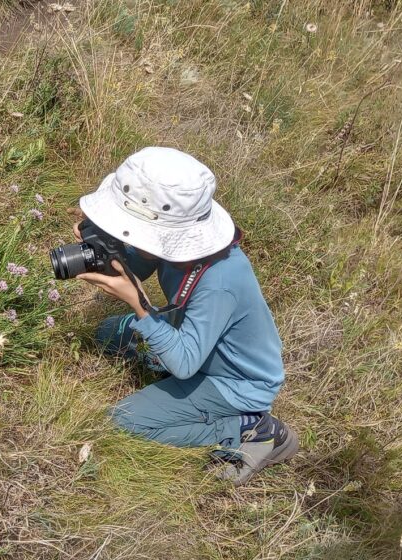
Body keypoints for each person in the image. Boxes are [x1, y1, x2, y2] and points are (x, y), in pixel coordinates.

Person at [74, 147, 297, 485]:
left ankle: (252, 430)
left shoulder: (221, 280)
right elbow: (137, 266)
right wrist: (104, 250)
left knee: (124, 421)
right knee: (107, 334)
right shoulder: (176, 245)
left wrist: (140, 307)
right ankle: (167, 377)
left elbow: (185, 364)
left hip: (234, 382)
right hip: (196, 345)